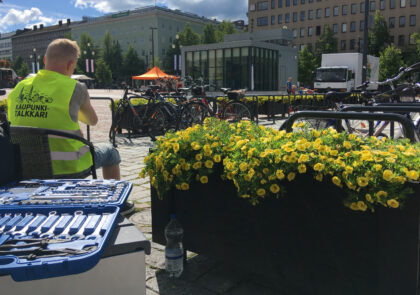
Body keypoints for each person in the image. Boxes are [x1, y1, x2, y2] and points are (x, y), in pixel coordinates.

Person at [7, 39, 134, 215]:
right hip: (67, 166)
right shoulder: (75, 87)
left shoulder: (19, 87)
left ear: (44, 60)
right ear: (70, 64)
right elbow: (92, 121)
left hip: (24, 166)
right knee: (111, 152)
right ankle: (118, 205)